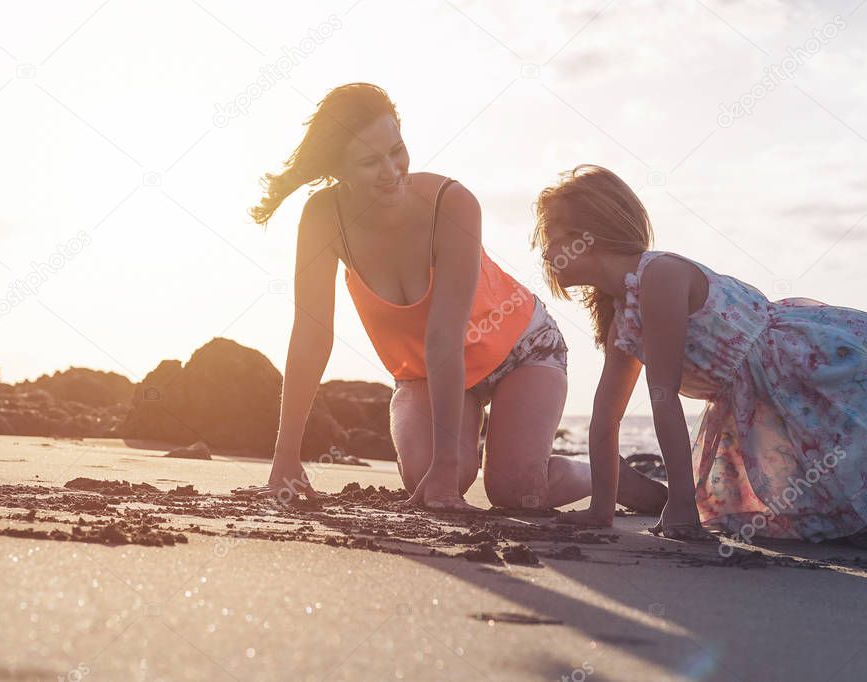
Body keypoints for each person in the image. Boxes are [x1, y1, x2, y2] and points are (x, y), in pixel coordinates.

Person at [240, 84, 666, 513]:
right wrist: (286, 458)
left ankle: (604, 473)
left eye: (397, 150)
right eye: (370, 162)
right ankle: (460, 454)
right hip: (426, 371)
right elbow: (312, 335)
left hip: (522, 351)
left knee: (517, 492)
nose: (391, 170)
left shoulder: (452, 203)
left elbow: (445, 335)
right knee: (425, 474)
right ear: (339, 170)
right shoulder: (322, 218)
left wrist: (447, 469)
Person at [536, 164, 867, 550]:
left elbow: (663, 396)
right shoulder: (625, 313)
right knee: (839, 516)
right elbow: (605, 416)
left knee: (864, 524)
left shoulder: (659, 276)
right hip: (772, 402)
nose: (544, 252)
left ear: (585, 237)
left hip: (813, 379)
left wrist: (681, 504)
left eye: (549, 237)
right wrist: (600, 509)